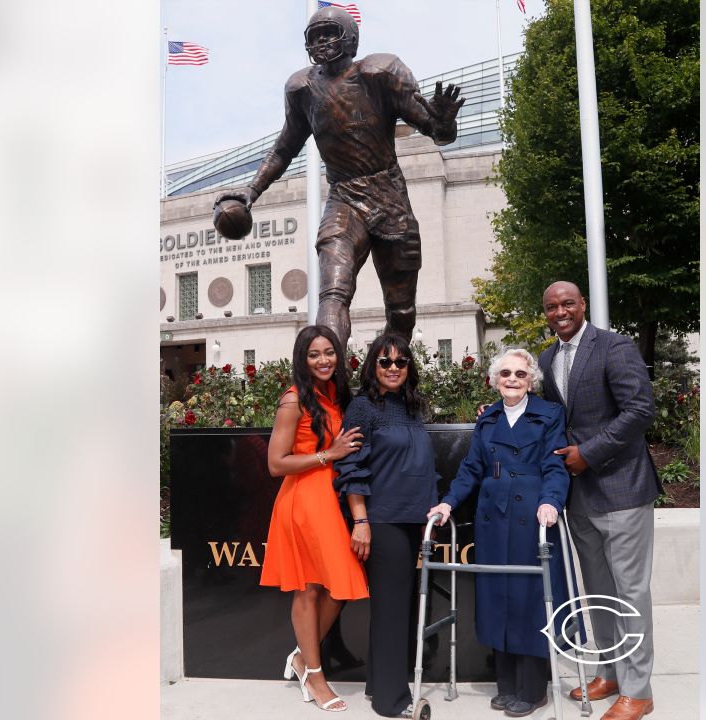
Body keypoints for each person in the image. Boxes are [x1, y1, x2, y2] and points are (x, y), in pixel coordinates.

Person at [217, 5, 465, 348]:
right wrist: (252, 190)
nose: (321, 42)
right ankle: (327, 381)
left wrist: (445, 121)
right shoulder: (301, 88)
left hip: (388, 193)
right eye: (315, 36)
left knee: (402, 309)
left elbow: (437, 132)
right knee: (333, 292)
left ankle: (394, 382)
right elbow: (284, 148)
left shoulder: (381, 72)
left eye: (328, 33)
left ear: (350, 37)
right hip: (344, 197)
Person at [537, 281, 663, 720]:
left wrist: (588, 454)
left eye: (567, 303)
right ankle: (610, 672)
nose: (560, 311)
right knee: (598, 592)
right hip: (580, 498)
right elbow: (554, 417)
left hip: (623, 488)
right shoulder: (547, 358)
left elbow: (640, 409)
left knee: (630, 591)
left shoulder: (614, 346)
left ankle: (639, 690)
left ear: (582, 304)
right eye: (552, 306)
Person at [428, 349, 571, 719]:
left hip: (531, 514)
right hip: (492, 516)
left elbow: (556, 465)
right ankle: (507, 685)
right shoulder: (488, 419)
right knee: (498, 596)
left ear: (531, 381)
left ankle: (534, 688)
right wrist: (447, 503)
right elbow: (471, 469)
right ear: (494, 379)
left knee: (529, 597)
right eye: (505, 373)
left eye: (520, 374)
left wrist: (551, 501)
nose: (512, 379)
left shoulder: (549, 414)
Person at [261, 325, 368, 712]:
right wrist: (329, 454)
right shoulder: (294, 399)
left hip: (332, 499)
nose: (323, 360)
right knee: (307, 588)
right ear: (301, 360)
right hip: (304, 500)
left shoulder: (336, 397)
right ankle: (317, 678)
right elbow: (276, 463)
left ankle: (302, 658)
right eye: (313, 354)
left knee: (339, 588)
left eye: (329, 352)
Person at [333, 335, 439, 718]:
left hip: (414, 519)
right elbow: (350, 467)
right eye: (384, 361)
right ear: (371, 367)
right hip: (382, 520)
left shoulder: (413, 407)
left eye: (401, 362)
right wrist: (360, 521)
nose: (393, 368)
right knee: (394, 609)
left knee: (398, 606)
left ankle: (379, 685)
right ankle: (393, 701)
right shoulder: (363, 408)